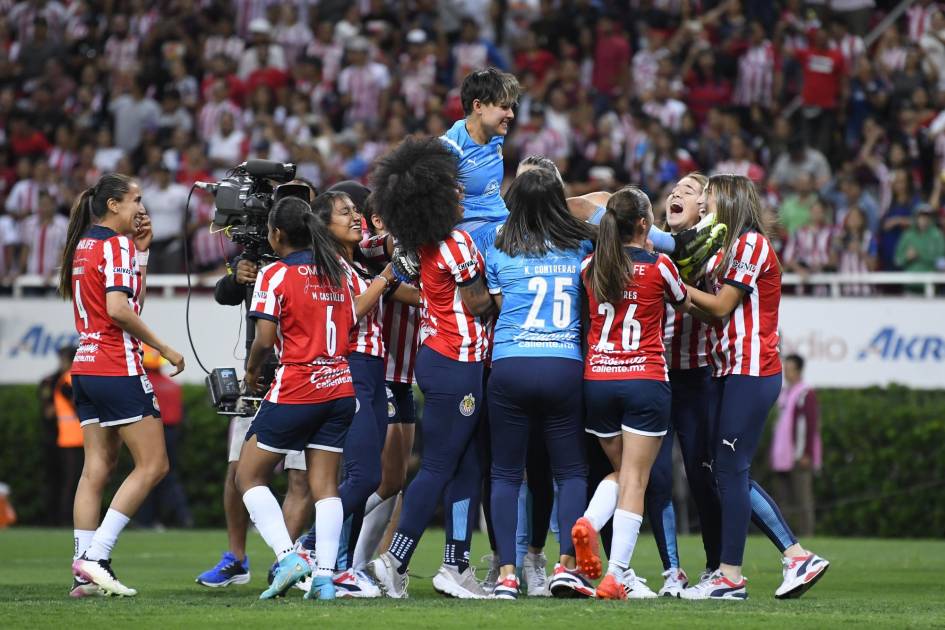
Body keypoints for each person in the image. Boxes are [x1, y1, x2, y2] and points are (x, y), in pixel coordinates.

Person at [681, 174, 829, 600]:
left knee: (730, 469)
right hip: (730, 368)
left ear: (728, 202)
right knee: (727, 470)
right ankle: (795, 556)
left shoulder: (750, 244)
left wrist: (675, 284)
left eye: (708, 197)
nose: (703, 204)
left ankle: (731, 575)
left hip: (752, 369)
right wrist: (682, 294)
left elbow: (721, 306)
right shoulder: (727, 250)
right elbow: (713, 314)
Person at [366, 137, 494, 599]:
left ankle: (455, 564)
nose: (460, 194)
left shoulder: (421, 245)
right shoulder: (457, 244)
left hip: (439, 357)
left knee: (467, 463)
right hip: (458, 360)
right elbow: (480, 304)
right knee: (439, 464)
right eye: (452, 188)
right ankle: (394, 560)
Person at [60, 173, 185, 597]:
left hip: (85, 365)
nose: (142, 209)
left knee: (95, 470)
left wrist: (143, 255)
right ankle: (96, 558)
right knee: (155, 465)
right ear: (113, 205)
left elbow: (129, 303)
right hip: (117, 365)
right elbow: (119, 309)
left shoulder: (84, 244)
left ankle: (82, 571)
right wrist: (163, 348)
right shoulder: (116, 245)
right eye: (136, 200)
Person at [297, 188, 419, 598]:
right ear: (323, 224)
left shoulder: (352, 264)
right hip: (352, 369)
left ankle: (337, 566)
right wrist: (387, 276)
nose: (355, 217)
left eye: (355, 211)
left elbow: (388, 261)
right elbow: (349, 313)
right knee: (363, 475)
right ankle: (308, 548)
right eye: (344, 212)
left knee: (366, 477)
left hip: (372, 370)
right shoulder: (329, 265)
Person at [571, 186, 691, 600]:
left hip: (598, 380)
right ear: (643, 224)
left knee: (624, 473)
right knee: (637, 479)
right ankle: (616, 574)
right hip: (644, 379)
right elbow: (684, 302)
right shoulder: (660, 266)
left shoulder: (589, 266)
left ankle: (589, 521)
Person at [237, 196, 356, 601]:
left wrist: (252, 372)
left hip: (299, 386)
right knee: (326, 486)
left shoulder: (274, 274)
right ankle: (325, 578)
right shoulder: (337, 270)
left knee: (247, 475)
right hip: (340, 386)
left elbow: (264, 339)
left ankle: (288, 558)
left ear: (276, 234)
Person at [485, 169, 596, 600]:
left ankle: (506, 575)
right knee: (570, 472)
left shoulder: (498, 245)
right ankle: (567, 566)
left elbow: (498, 304)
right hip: (563, 364)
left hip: (510, 363)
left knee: (505, 473)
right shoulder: (581, 244)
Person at [196, 231, 312, 590]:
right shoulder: (255, 252)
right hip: (259, 375)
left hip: (298, 372)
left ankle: (283, 563)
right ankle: (237, 558)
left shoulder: (313, 258)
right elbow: (224, 294)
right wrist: (237, 277)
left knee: (299, 477)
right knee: (238, 472)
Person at [645, 173, 723, 597]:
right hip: (655, 375)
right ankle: (671, 569)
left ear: (704, 209)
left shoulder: (714, 257)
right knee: (657, 477)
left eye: (689, 191)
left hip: (696, 377)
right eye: (674, 189)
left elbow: (722, 311)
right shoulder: (648, 249)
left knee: (702, 475)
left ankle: (716, 566)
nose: (676, 193)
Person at [136, 346, 192, 529]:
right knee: (169, 475)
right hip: (173, 433)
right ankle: (182, 517)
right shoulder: (173, 386)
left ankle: (147, 519)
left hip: (152, 432)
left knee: (148, 474)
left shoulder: (144, 385)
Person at [770, 354, 822, 538]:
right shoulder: (785, 393)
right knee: (782, 500)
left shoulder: (805, 393)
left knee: (802, 499)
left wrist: (806, 453)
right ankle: (785, 538)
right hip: (782, 456)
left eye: (790, 369)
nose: (787, 373)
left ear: (799, 370)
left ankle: (807, 535)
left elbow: (809, 425)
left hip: (799, 456)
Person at [54, 346, 83, 527]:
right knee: (73, 481)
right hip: (73, 439)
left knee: (74, 480)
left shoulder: (68, 378)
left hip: (74, 438)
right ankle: (66, 518)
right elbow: (77, 403)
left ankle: (68, 518)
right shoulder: (69, 379)